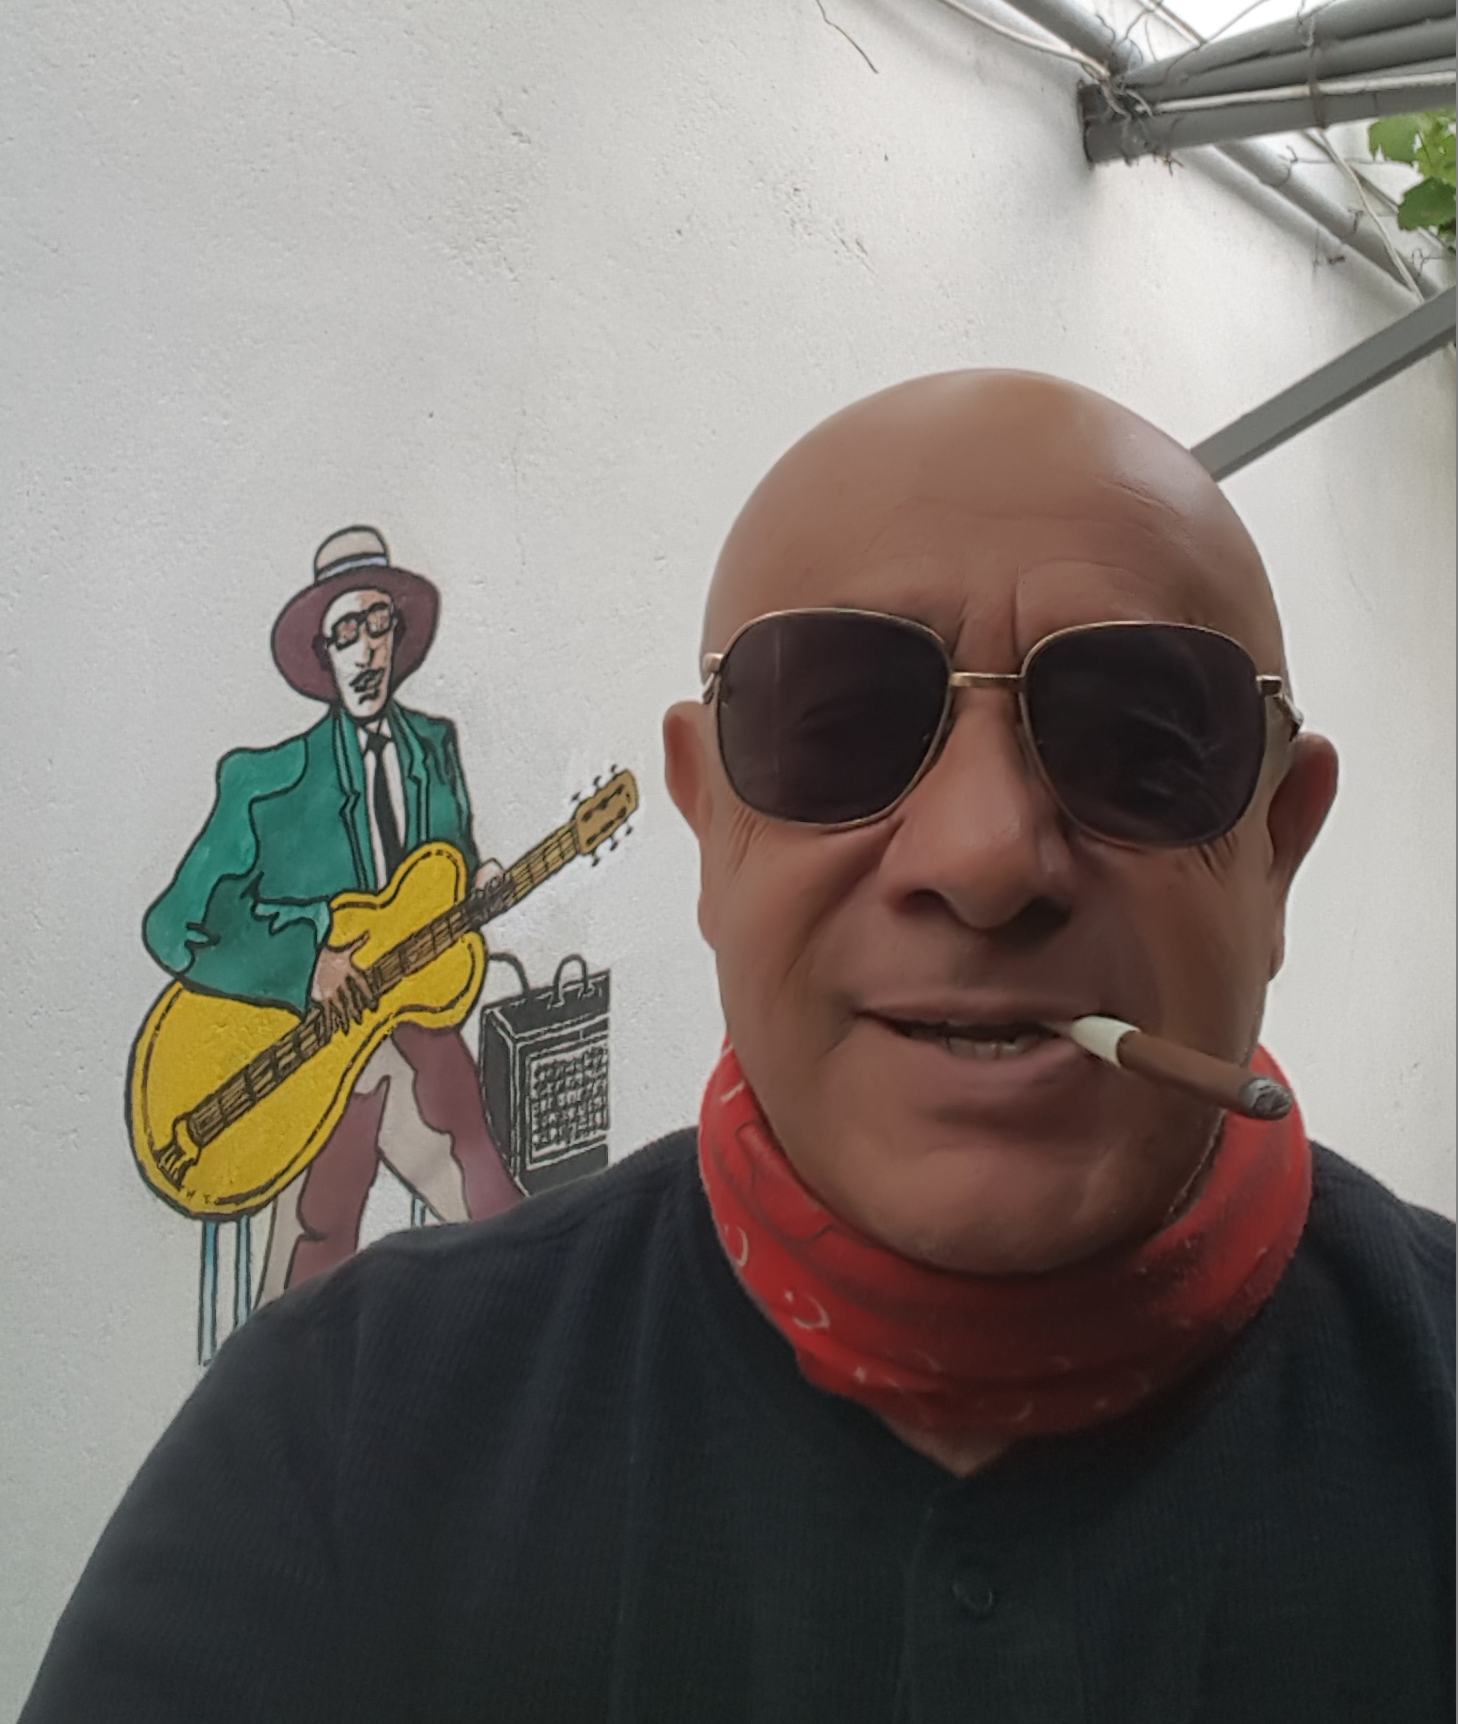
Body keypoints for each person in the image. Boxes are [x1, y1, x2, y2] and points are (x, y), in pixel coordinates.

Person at [24, 377, 1453, 1721]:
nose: (982, 857)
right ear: (707, 827)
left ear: (1279, 849)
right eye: (834, 728)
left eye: (1141, 745)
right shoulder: (338, 1437)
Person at [141, 525, 518, 1296]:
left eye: (378, 624)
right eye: (346, 632)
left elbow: (438, 881)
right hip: (307, 1048)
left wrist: (477, 888)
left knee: (490, 1197)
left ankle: (530, 1310)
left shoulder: (434, 750)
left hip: (411, 1021)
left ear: (398, 635)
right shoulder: (267, 783)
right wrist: (306, 963)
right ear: (323, 653)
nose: (366, 650)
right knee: (319, 1229)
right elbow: (171, 926)